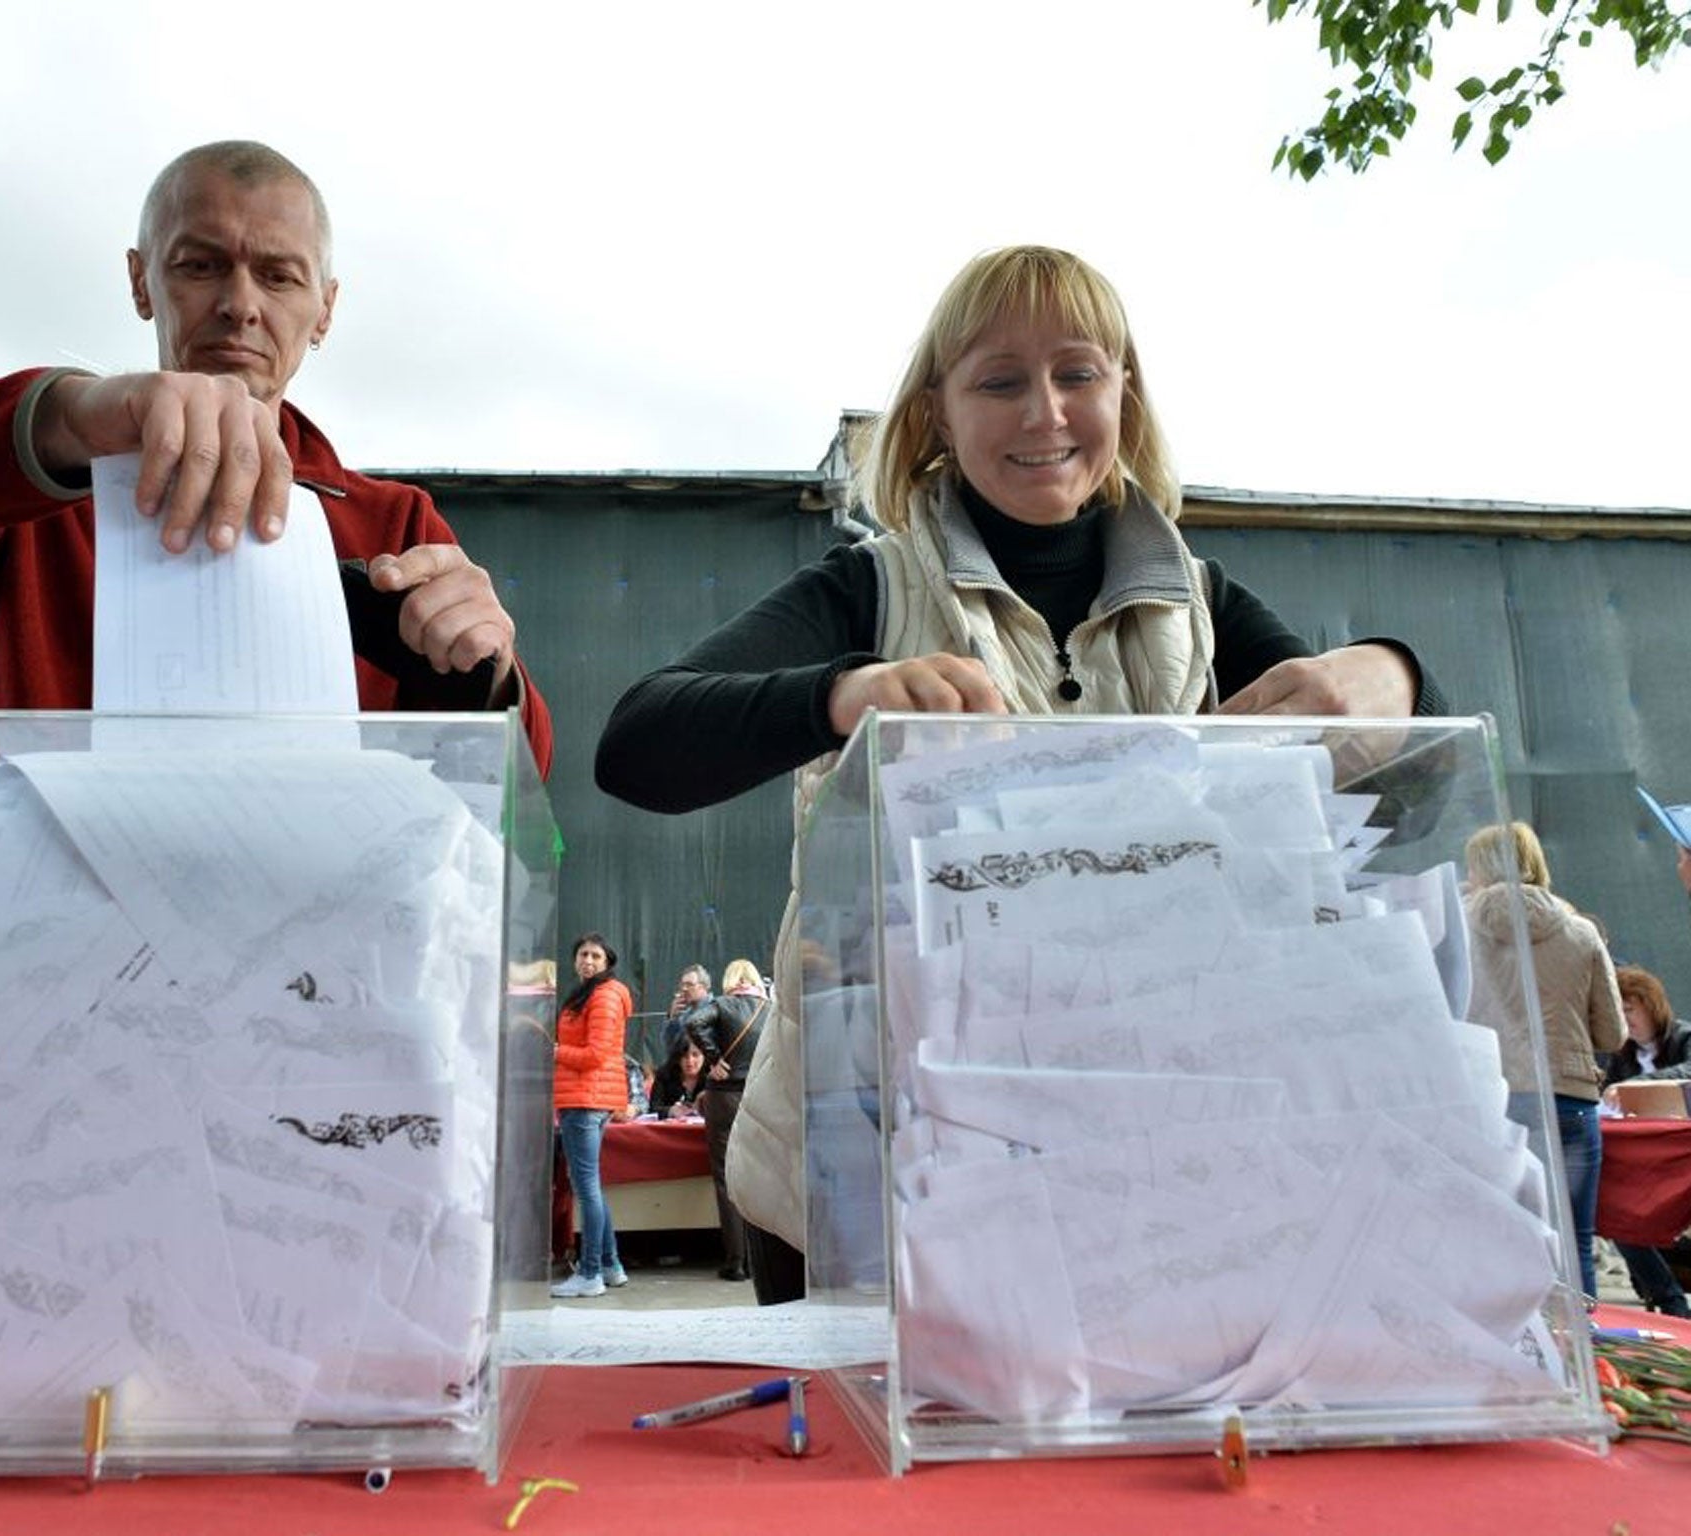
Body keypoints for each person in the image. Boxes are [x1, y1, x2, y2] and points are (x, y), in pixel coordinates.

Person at [595, 245, 1446, 1302]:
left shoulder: (1201, 603)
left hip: (1146, 1167)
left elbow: (1406, 816)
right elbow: (636, 746)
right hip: (873, 1175)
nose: (1043, 412)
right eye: (998, 381)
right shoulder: (870, 586)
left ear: (1122, 397)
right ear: (935, 415)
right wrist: (838, 693)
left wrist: (1398, 678)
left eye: (1076, 373)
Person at [0, 139, 551, 780]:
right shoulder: (38, 489)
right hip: (56, 953)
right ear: (141, 281)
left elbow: (518, 777)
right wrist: (61, 416)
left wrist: (487, 669)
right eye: (200, 265)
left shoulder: (392, 522)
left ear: (326, 311)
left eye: (278, 275)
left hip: (307, 964)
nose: (241, 303)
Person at [1462, 822, 1626, 1302]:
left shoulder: (1458, 927)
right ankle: (1585, 1361)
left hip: (1492, 1101)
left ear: (1481, 869)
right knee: (1573, 1242)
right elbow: (1613, 1034)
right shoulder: (1581, 933)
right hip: (1569, 1097)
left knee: (1494, 1236)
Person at [1600, 965, 1691, 1317]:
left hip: (1680, 1157)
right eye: (1617, 1013)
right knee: (1617, 1213)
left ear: (1650, 1006)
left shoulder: (1683, 1037)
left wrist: (1635, 1087)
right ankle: (1668, 1299)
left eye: (1628, 1011)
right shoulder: (1620, 1056)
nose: (1624, 1021)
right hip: (1643, 1162)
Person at [552, 933, 634, 1299]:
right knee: (591, 1187)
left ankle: (589, 1274)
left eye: (595, 956)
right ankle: (609, 1265)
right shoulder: (595, 993)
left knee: (586, 1188)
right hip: (590, 1098)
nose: (587, 960)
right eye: (582, 954)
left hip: (586, 1098)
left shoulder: (604, 996)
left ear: (607, 962)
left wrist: (555, 1051)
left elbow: (597, 1053)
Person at [679, 957, 767, 1283]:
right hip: (759, 1096)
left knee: (726, 1177)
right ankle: (763, 1259)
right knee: (760, 1176)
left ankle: (736, 1261)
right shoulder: (770, 1009)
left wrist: (714, 1057)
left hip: (724, 1098)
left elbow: (693, 1023)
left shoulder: (722, 1004)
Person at [660, 965, 710, 1067]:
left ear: (703, 987)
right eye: (682, 985)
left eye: (689, 985)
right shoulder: (684, 1014)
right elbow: (669, 1047)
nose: (684, 989)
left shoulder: (715, 1009)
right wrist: (672, 1018)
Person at [649, 1038, 710, 1119]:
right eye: (685, 1056)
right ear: (677, 1058)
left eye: (695, 1055)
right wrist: (670, 1111)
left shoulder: (712, 1077)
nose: (690, 1061)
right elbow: (653, 1109)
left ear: (704, 1056)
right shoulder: (665, 1075)